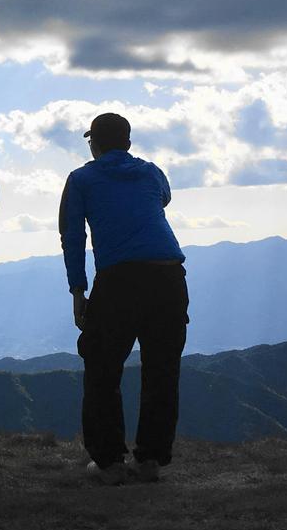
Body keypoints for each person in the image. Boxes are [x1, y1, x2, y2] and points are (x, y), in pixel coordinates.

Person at [59, 112, 189, 485]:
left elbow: (72, 236)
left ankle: (109, 462)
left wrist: (78, 290)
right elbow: (162, 201)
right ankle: (149, 461)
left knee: (102, 368)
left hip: (118, 280)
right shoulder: (151, 172)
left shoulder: (81, 179)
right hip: (168, 275)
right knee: (162, 370)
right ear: (128, 143)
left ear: (92, 143)